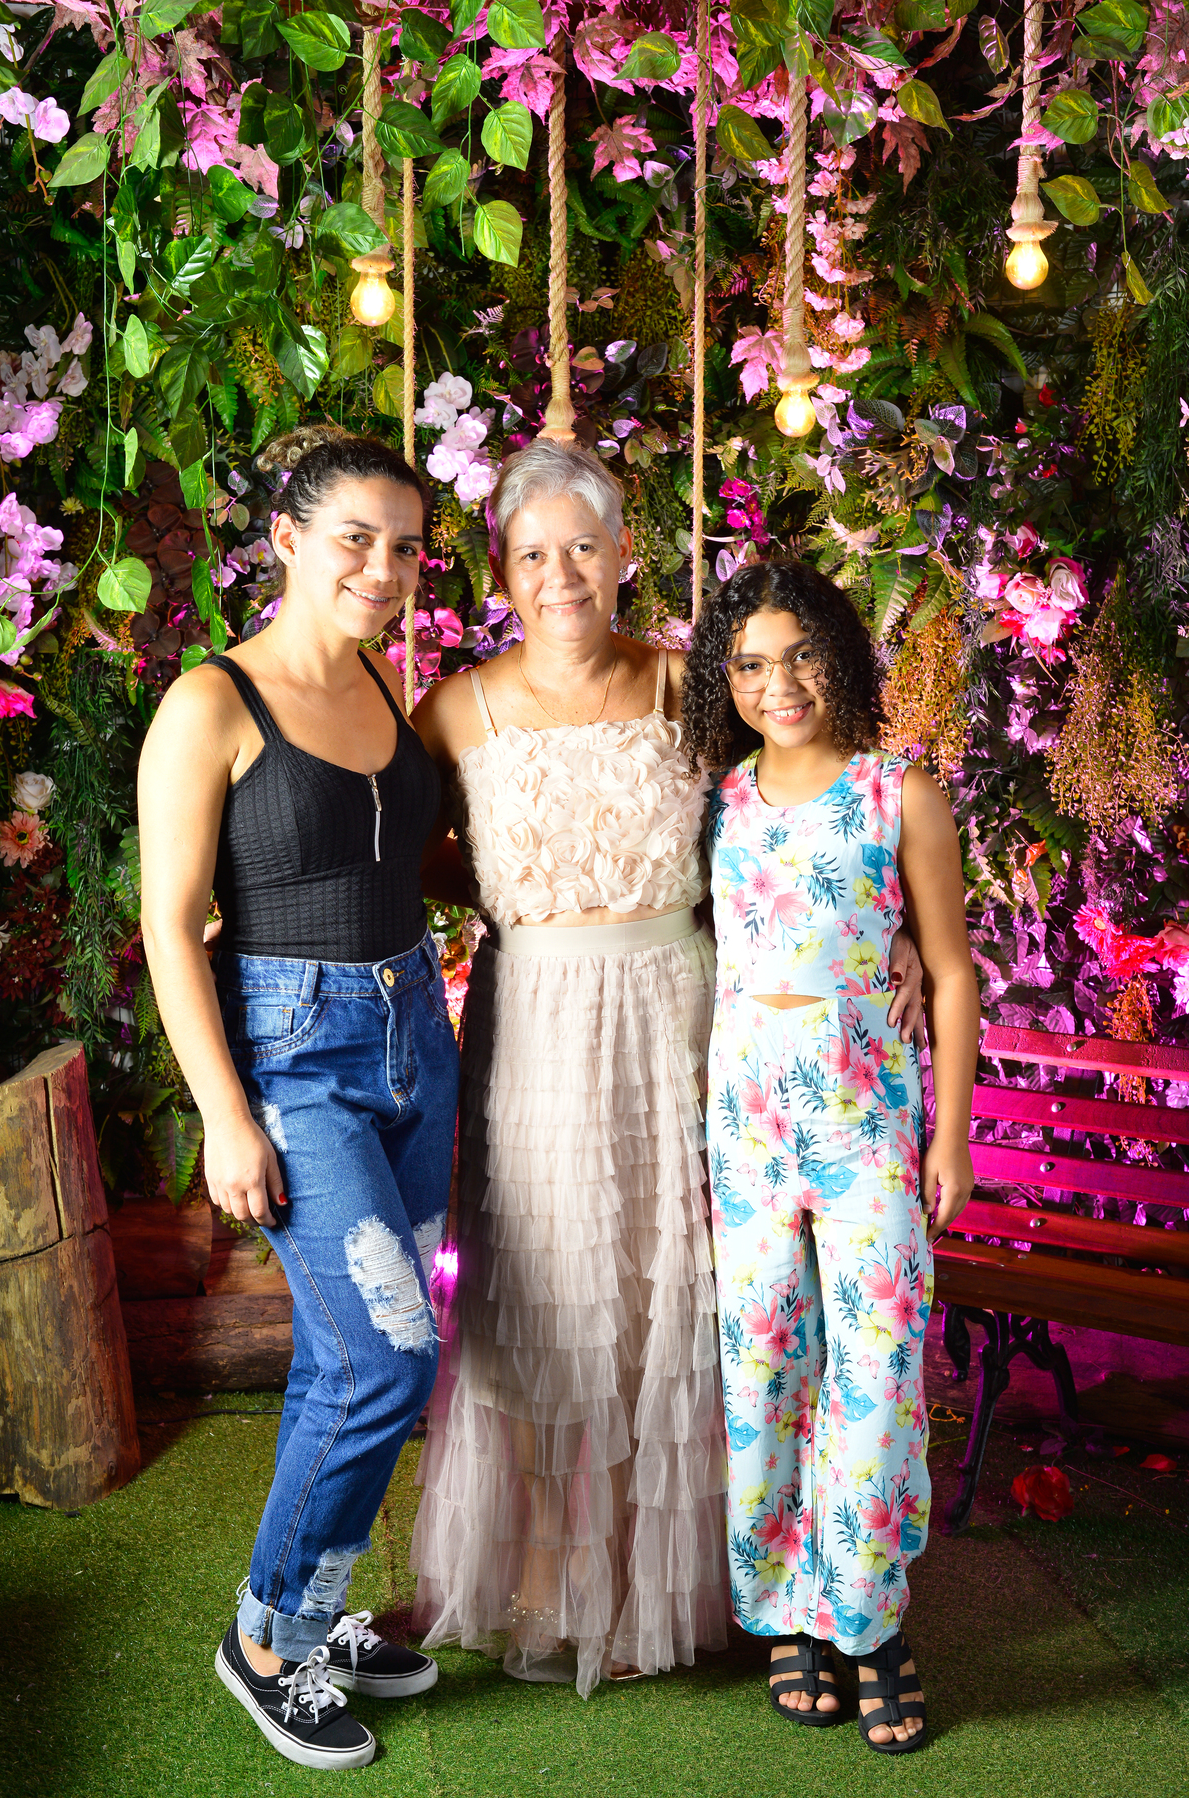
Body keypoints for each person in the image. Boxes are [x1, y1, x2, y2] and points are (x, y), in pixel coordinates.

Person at [407, 438, 924, 1698]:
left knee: (693, 1296)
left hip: (688, 1013)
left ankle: (704, 1579)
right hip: (535, 1018)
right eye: (534, 553)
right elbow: (413, 854)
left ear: (625, 553)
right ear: (500, 572)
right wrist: (514, 900)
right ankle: (561, 1586)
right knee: (550, 1294)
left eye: (584, 546)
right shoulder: (454, 708)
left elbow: (790, 809)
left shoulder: (687, 684)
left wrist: (892, 927)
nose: (562, 574)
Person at [137, 427, 459, 1771]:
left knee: (349, 1357)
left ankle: (312, 1611)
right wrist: (225, 1112)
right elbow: (169, 926)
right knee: (386, 1356)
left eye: (406, 548)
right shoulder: (211, 704)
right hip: (294, 1054)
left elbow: (413, 863)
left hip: (413, 1036)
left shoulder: (387, 683)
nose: (384, 568)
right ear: (284, 538)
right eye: (354, 540)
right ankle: (266, 1641)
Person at [681, 560, 979, 1754]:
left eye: (801, 653)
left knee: (876, 1373)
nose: (780, 682)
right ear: (725, 678)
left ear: (841, 654)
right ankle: (789, 1610)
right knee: (761, 1369)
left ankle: (868, 1622)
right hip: (749, 1129)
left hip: (870, 1126)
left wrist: (951, 1132)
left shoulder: (901, 792)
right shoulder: (715, 801)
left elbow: (949, 968)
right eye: (751, 663)